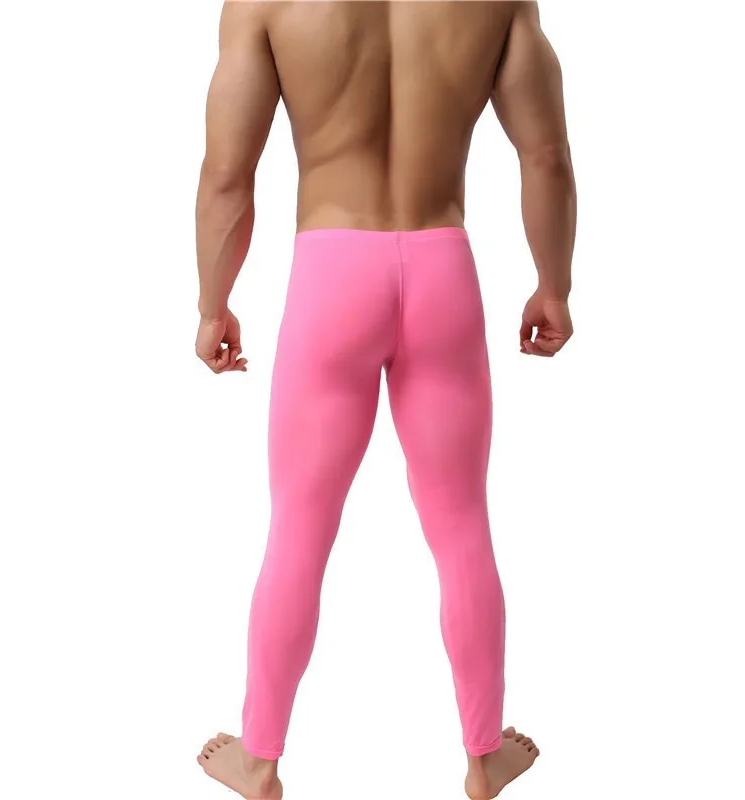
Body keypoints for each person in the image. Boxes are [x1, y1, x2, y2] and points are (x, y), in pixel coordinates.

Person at [194, 1, 575, 798]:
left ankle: (259, 760)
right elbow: (543, 155)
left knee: (299, 526)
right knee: (462, 523)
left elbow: (228, 174)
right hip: (442, 270)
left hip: (331, 275)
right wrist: (554, 286)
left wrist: (212, 305)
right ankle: (484, 757)